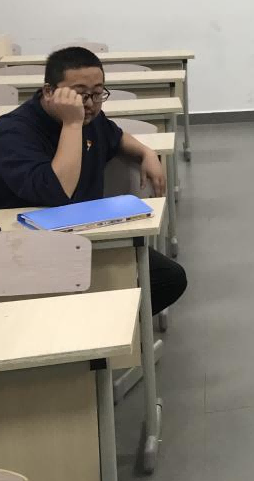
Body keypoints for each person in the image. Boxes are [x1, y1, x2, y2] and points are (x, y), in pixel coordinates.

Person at [0, 47, 187, 315]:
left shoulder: (92, 119)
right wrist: (72, 124)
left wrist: (146, 153)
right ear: (49, 91)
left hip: (89, 234)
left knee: (170, 279)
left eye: (97, 94)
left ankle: (112, 327)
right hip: (27, 247)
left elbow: (117, 136)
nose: (89, 103)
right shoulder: (14, 132)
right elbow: (56, 192)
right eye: (79, 94)